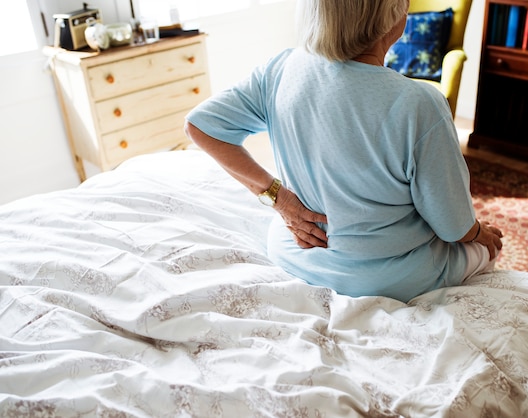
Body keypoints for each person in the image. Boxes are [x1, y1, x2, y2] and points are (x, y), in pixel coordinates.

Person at [184, 0, 503, 303]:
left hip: (294, 257)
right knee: (488, 247)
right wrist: (480, 232)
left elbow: (200, 126)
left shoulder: (281, 67)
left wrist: (276, 196)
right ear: (393, 16)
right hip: (385, 279)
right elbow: (453, 227)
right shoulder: (421, 104)